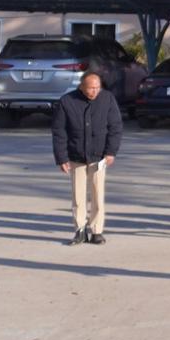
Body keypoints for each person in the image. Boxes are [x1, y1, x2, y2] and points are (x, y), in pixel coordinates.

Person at [51, 68, 123, 246]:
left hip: (99, 157)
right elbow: (59, 132)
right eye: (91, 88)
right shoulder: (67, 101)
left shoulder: (107, 99)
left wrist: (111, 152)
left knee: (98, 195)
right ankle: (79, 230)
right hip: (76, 156)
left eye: (97, 88)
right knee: (78, 196)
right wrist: (61, 158)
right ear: (81, 86)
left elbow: (116, 127)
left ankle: (97, 231)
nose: (94, 91)